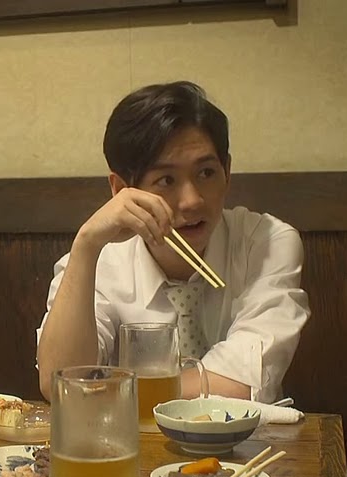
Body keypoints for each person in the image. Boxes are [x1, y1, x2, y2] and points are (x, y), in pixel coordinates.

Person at [36, 81, 310, 403]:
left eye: (206, 173)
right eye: (166, 180)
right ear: (121, 189)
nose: (192, 201)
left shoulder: (266, 244)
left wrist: (106, 391)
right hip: (126, 436)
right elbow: (61, 384)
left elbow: (243, 383)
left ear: (227, 172)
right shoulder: (100, 261)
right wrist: (86, 245)